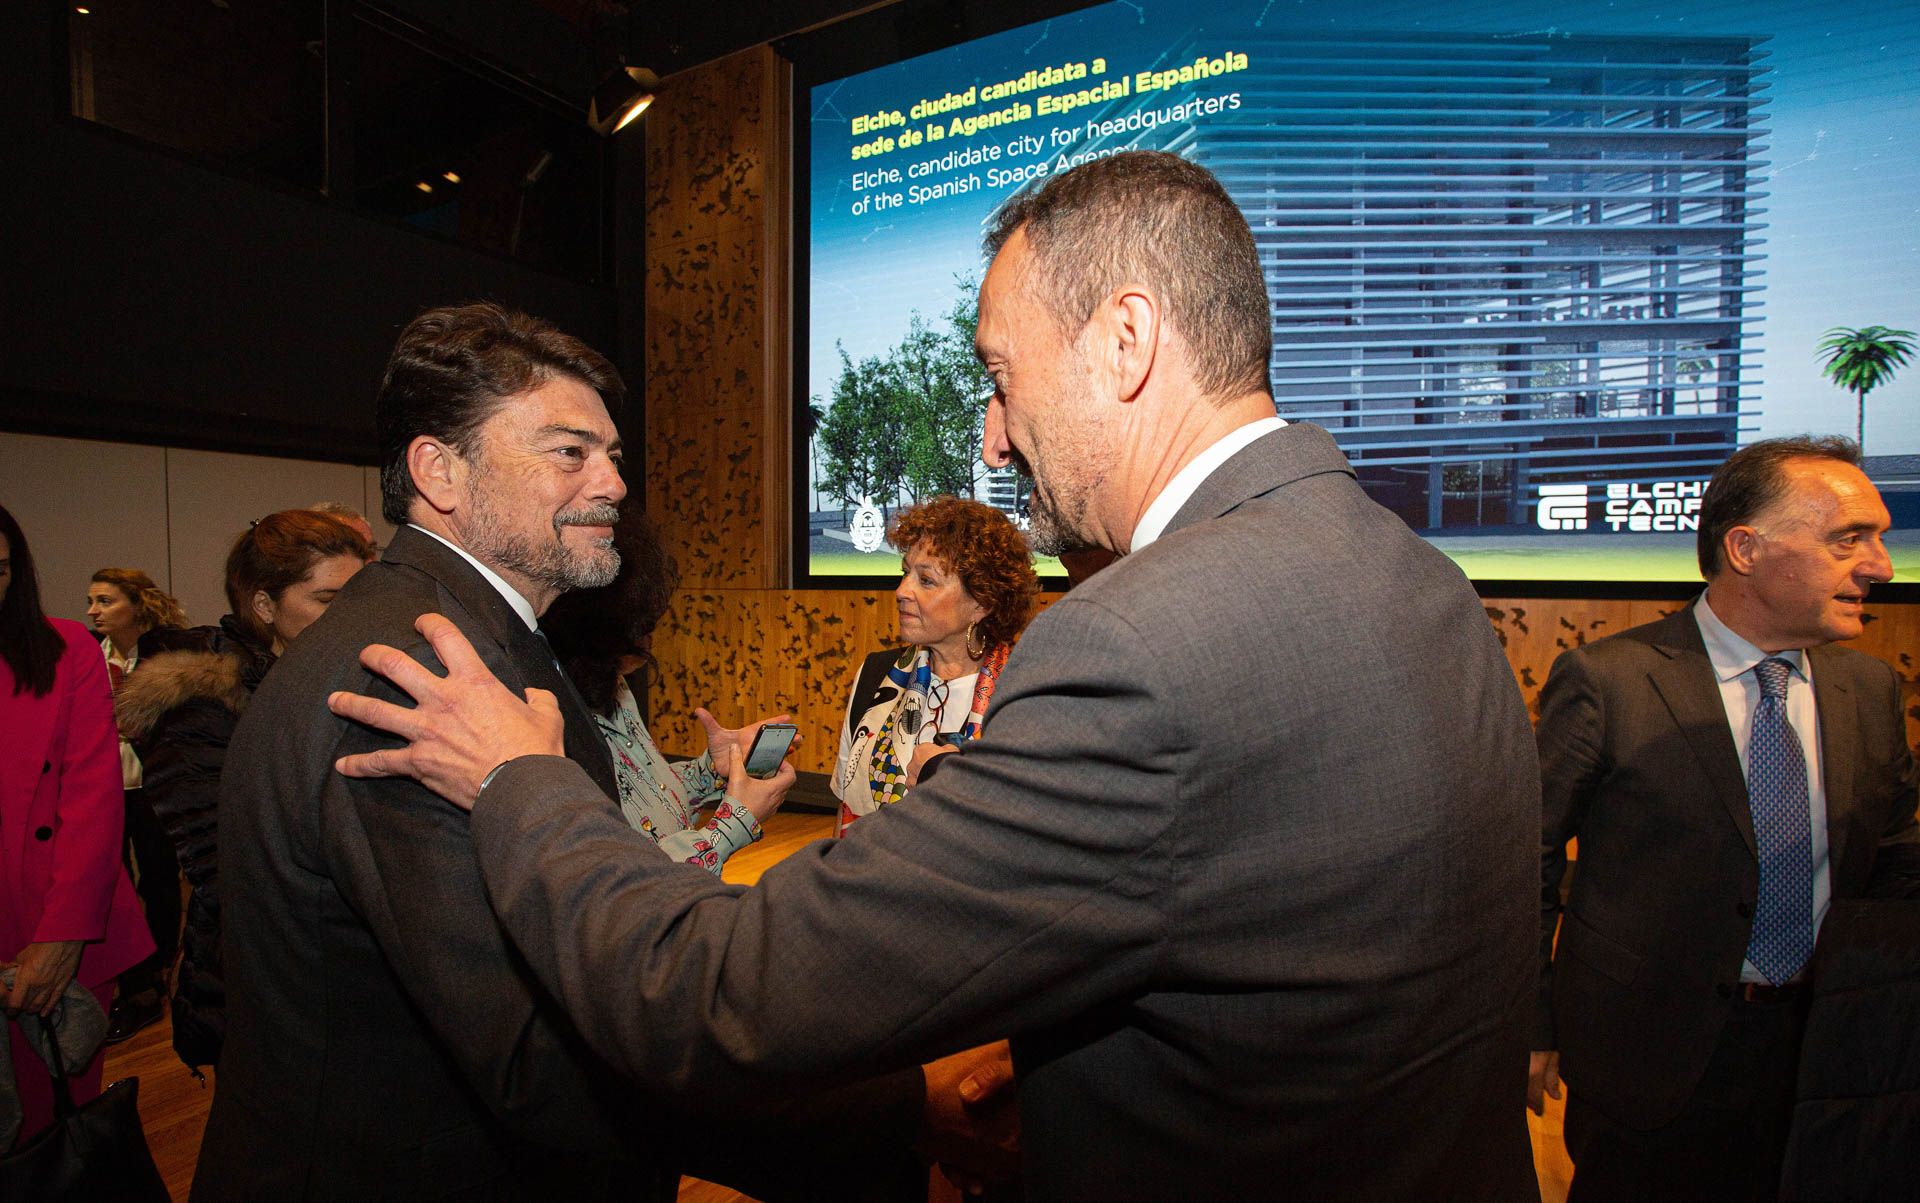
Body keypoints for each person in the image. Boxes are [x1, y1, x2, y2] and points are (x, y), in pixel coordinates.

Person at [329, 151, 1542, 1201]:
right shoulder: (1416, 576)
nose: (992, 438)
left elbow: (715, 995)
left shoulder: (1136, 645)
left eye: (1001, 377)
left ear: (1127, 341)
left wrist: (518, 781)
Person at [195, 302, 925, 1202]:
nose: (614, 483)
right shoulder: (424, 668)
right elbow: (533, 1051)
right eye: (570, 452)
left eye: (612, 454)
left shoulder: (475, 632)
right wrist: (865, 1105)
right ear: (440, 471)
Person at [1529, 435, 1920, 1202]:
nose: (1881, 565)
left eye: (1879, 538)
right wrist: (1532, 1022)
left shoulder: (1869, 689)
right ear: (1746, 548)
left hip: (1826, 1053)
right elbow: (1524, 857)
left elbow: (1898, 858)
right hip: (1650, 1064)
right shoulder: (1610, 682)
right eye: (1850, 539)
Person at [114, 510, 372, 1074]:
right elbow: (225, 864)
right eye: (328, 600)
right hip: (264, 975)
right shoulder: (202, 704)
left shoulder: (350, 677)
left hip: (349, 970)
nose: (352, 617)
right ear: (264, 607)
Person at [0, 505, 154, 1145]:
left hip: (54, 924)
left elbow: (92, 800)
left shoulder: (64, 652)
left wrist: (63, 935)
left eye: (2, 569)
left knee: (53, 1136)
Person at [540, 498, 772, 873]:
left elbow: (640, 797)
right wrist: (734, 823)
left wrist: (711, 770)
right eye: (639, 628)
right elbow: (628, 886)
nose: (648, 642)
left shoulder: (610, 683)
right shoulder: (551, 714)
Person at [830, 494, 1040, 834]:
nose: (901, 590)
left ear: (981, 602)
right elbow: (845, 812)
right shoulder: (875, 676)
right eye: (905, 573)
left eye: (925, 580)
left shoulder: (1021, 693)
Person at [86, 566, 188, 1043]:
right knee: (114, 879)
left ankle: (160, 966)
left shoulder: (163, 654)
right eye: (92, 601)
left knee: (160, 876)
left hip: (153, 783)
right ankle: (132, 969)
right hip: (104, 784)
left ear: (137, 604)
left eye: (106, 601)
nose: (93, 611)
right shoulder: (88, 656)